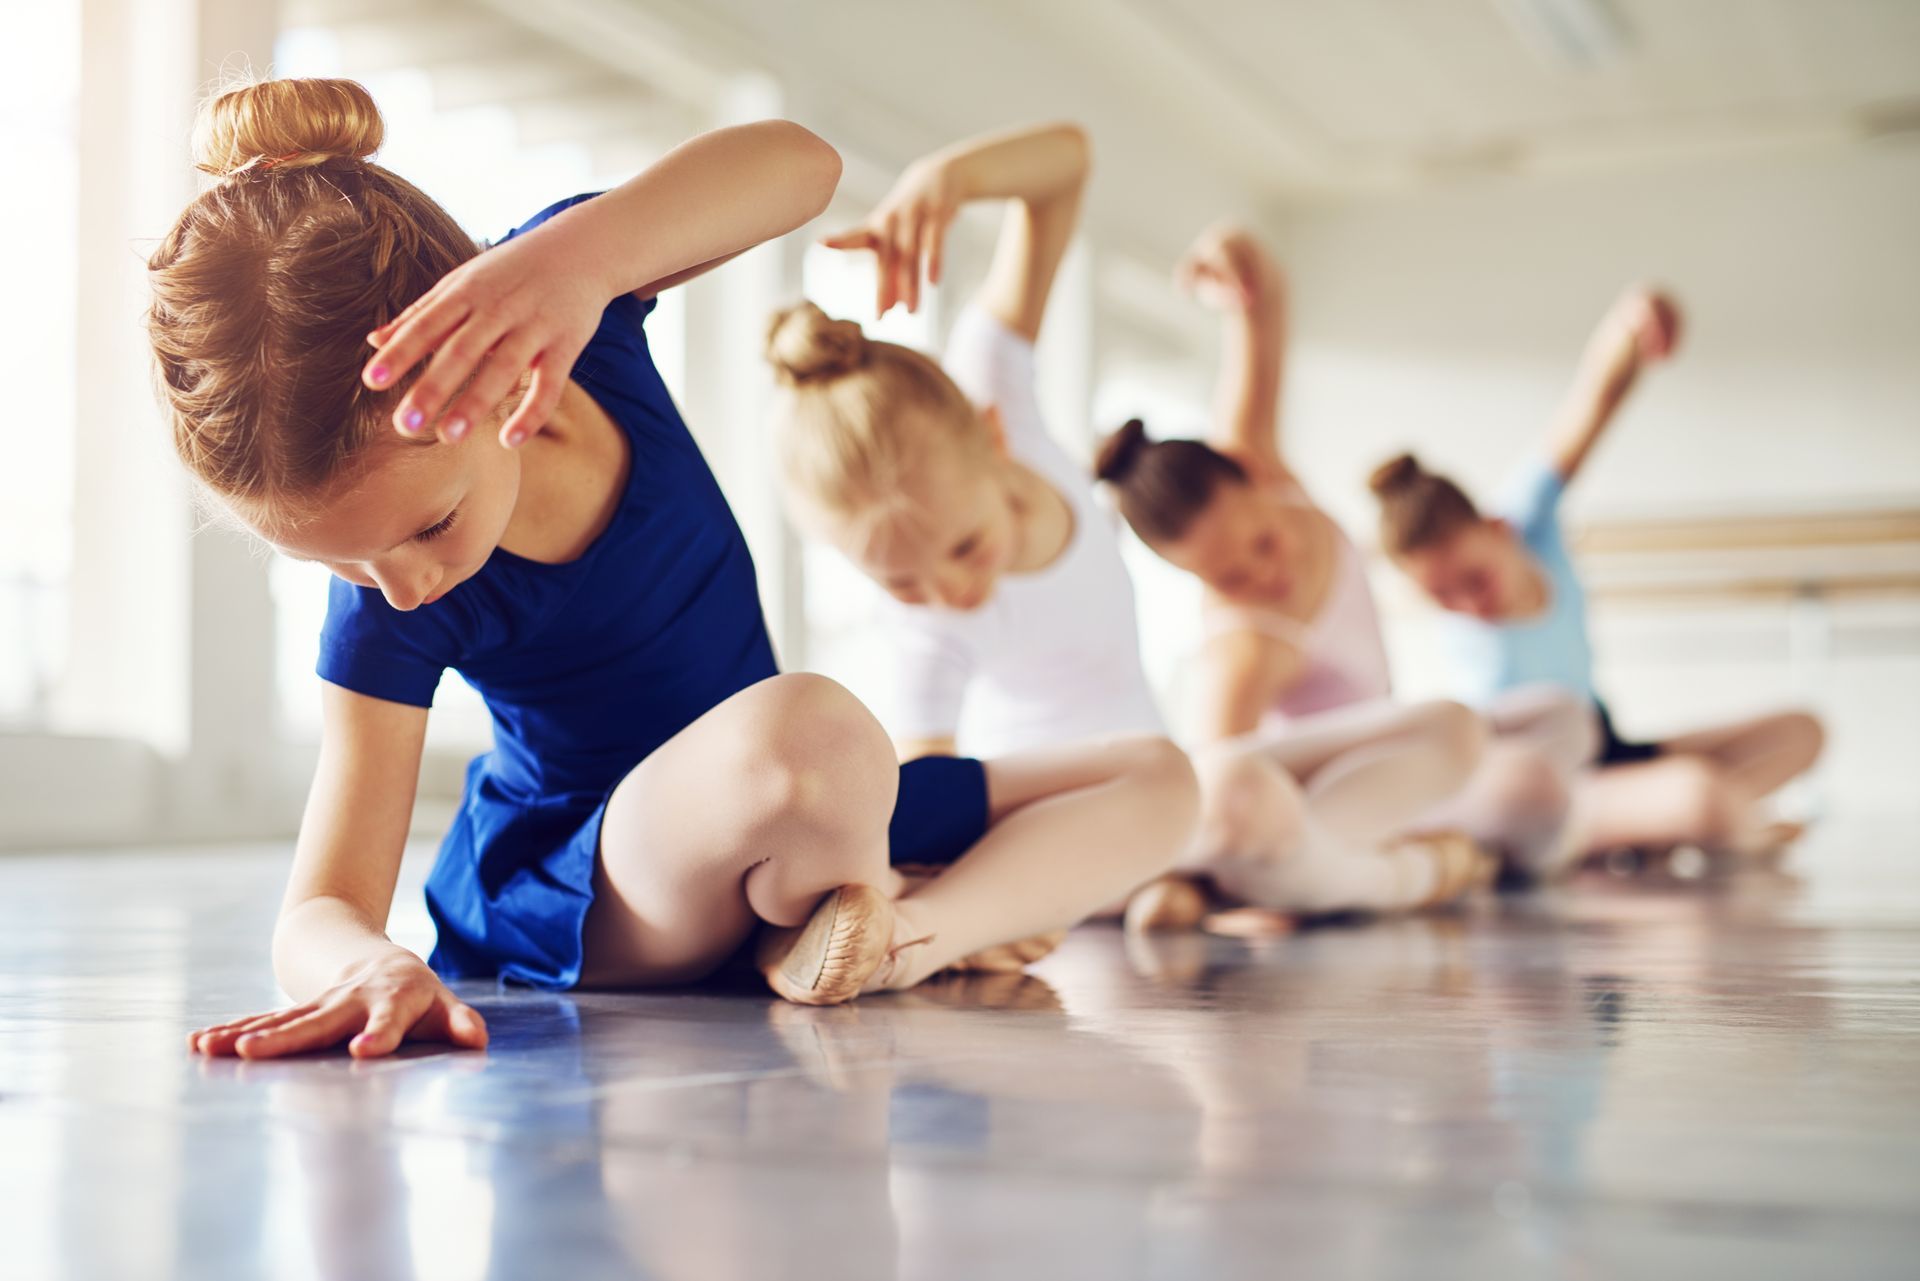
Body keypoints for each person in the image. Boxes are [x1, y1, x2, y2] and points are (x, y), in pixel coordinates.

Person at [158, 79, 1196, 1061]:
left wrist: (581, 260)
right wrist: (368, 963)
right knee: (817, 734)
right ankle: (867, 900)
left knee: (1161, 779)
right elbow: (320, 907)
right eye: (333, 563)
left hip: (796, 805)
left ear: (512, 361)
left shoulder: (583, 320)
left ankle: (905, 936)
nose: (395, 583)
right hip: (602, 881)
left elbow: (803, 166)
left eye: (427, 526)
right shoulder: (386, 611)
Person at [1097, 225, 1596, 917]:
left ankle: (1339, 867)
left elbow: (1265, 303)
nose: (1262, 576)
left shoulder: (1256, 455)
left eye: (1261, 544)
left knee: (1565, 719)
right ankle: (1326, 872)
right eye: (1227, 578)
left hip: (1399, 763)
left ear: (1252, 480)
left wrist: (1237, 256)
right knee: (1523, 782)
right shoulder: (1244, 643)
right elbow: (1214, 785)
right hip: (1330, 797)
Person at [1368, 287, 1823, 858]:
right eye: (1442, 598)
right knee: (1699, 796)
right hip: (1558, 788)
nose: (1467, 606)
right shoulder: (1474, 659)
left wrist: (1633, 323)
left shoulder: (1528, 520)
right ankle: (1704, 827)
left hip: (1608, 747)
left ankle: (1658, 833)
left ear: (1496, 530)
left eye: (1474, 581)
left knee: (1802, 732)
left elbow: (1592, 404)